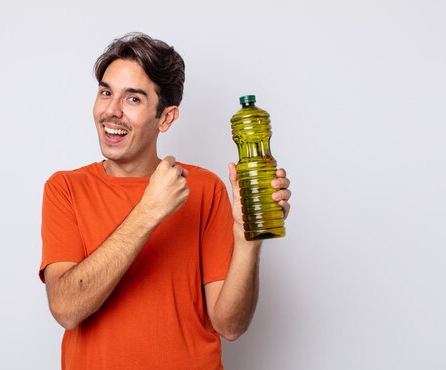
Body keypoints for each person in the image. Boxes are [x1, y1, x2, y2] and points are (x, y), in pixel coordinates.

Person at [39, 32, 292, 369]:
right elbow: (66, 309)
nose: (111, 111)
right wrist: (148, 211)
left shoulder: (204, 188)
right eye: (106, 92)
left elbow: (229, 325)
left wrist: (247, 240)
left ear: (167, 117)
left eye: (133, 99)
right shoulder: (65, 188)